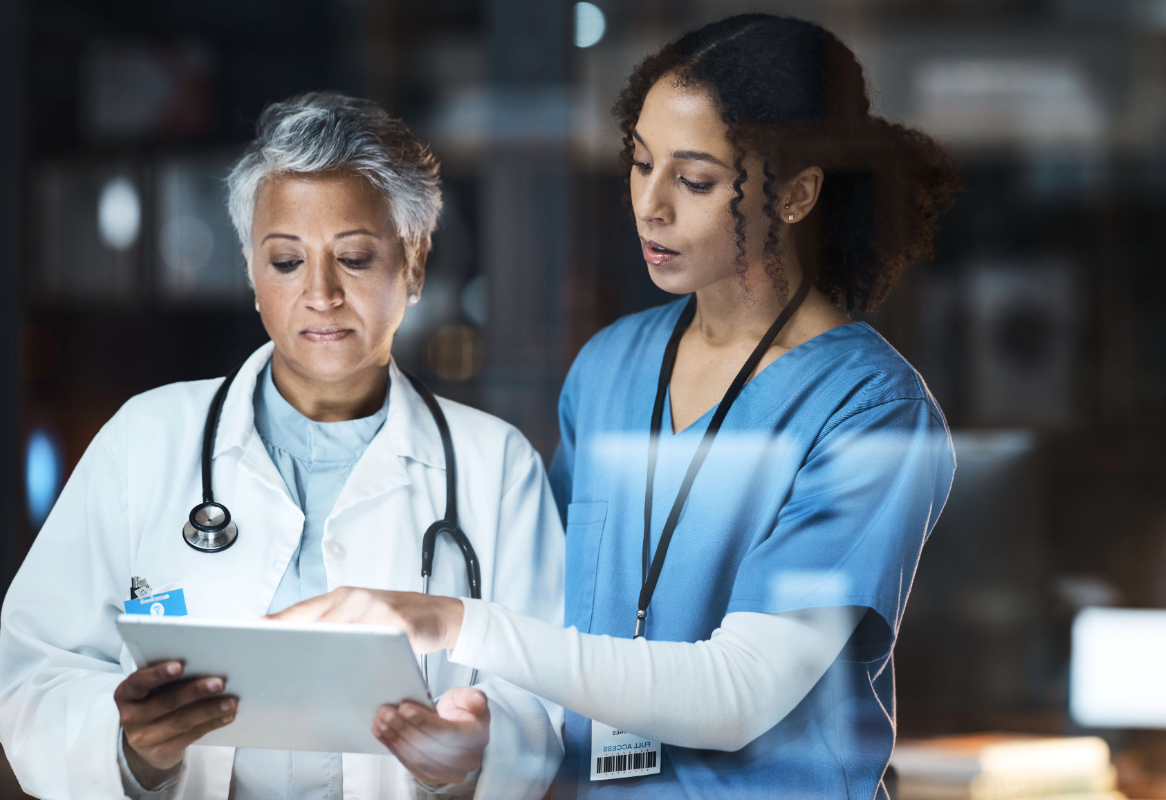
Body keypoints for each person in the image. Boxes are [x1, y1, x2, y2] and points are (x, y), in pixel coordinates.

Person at [272, 14, 961, 799]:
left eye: (694, 180)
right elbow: (564, 638)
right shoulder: (609, 368)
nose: (651, 206)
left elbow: (739, 696)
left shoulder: (869, 408)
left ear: (798, 193)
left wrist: (452, 621)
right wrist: (480, 735)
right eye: (639, 164)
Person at [0, 92, 564, 800]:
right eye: (287, 261)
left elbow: (548, 703)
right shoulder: (146, 440)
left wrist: (474, 756)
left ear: (414, 267)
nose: (319, 294)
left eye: (354, 257)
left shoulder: (495, 467)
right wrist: (132, 748)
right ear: (251, 274)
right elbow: (33, 680)